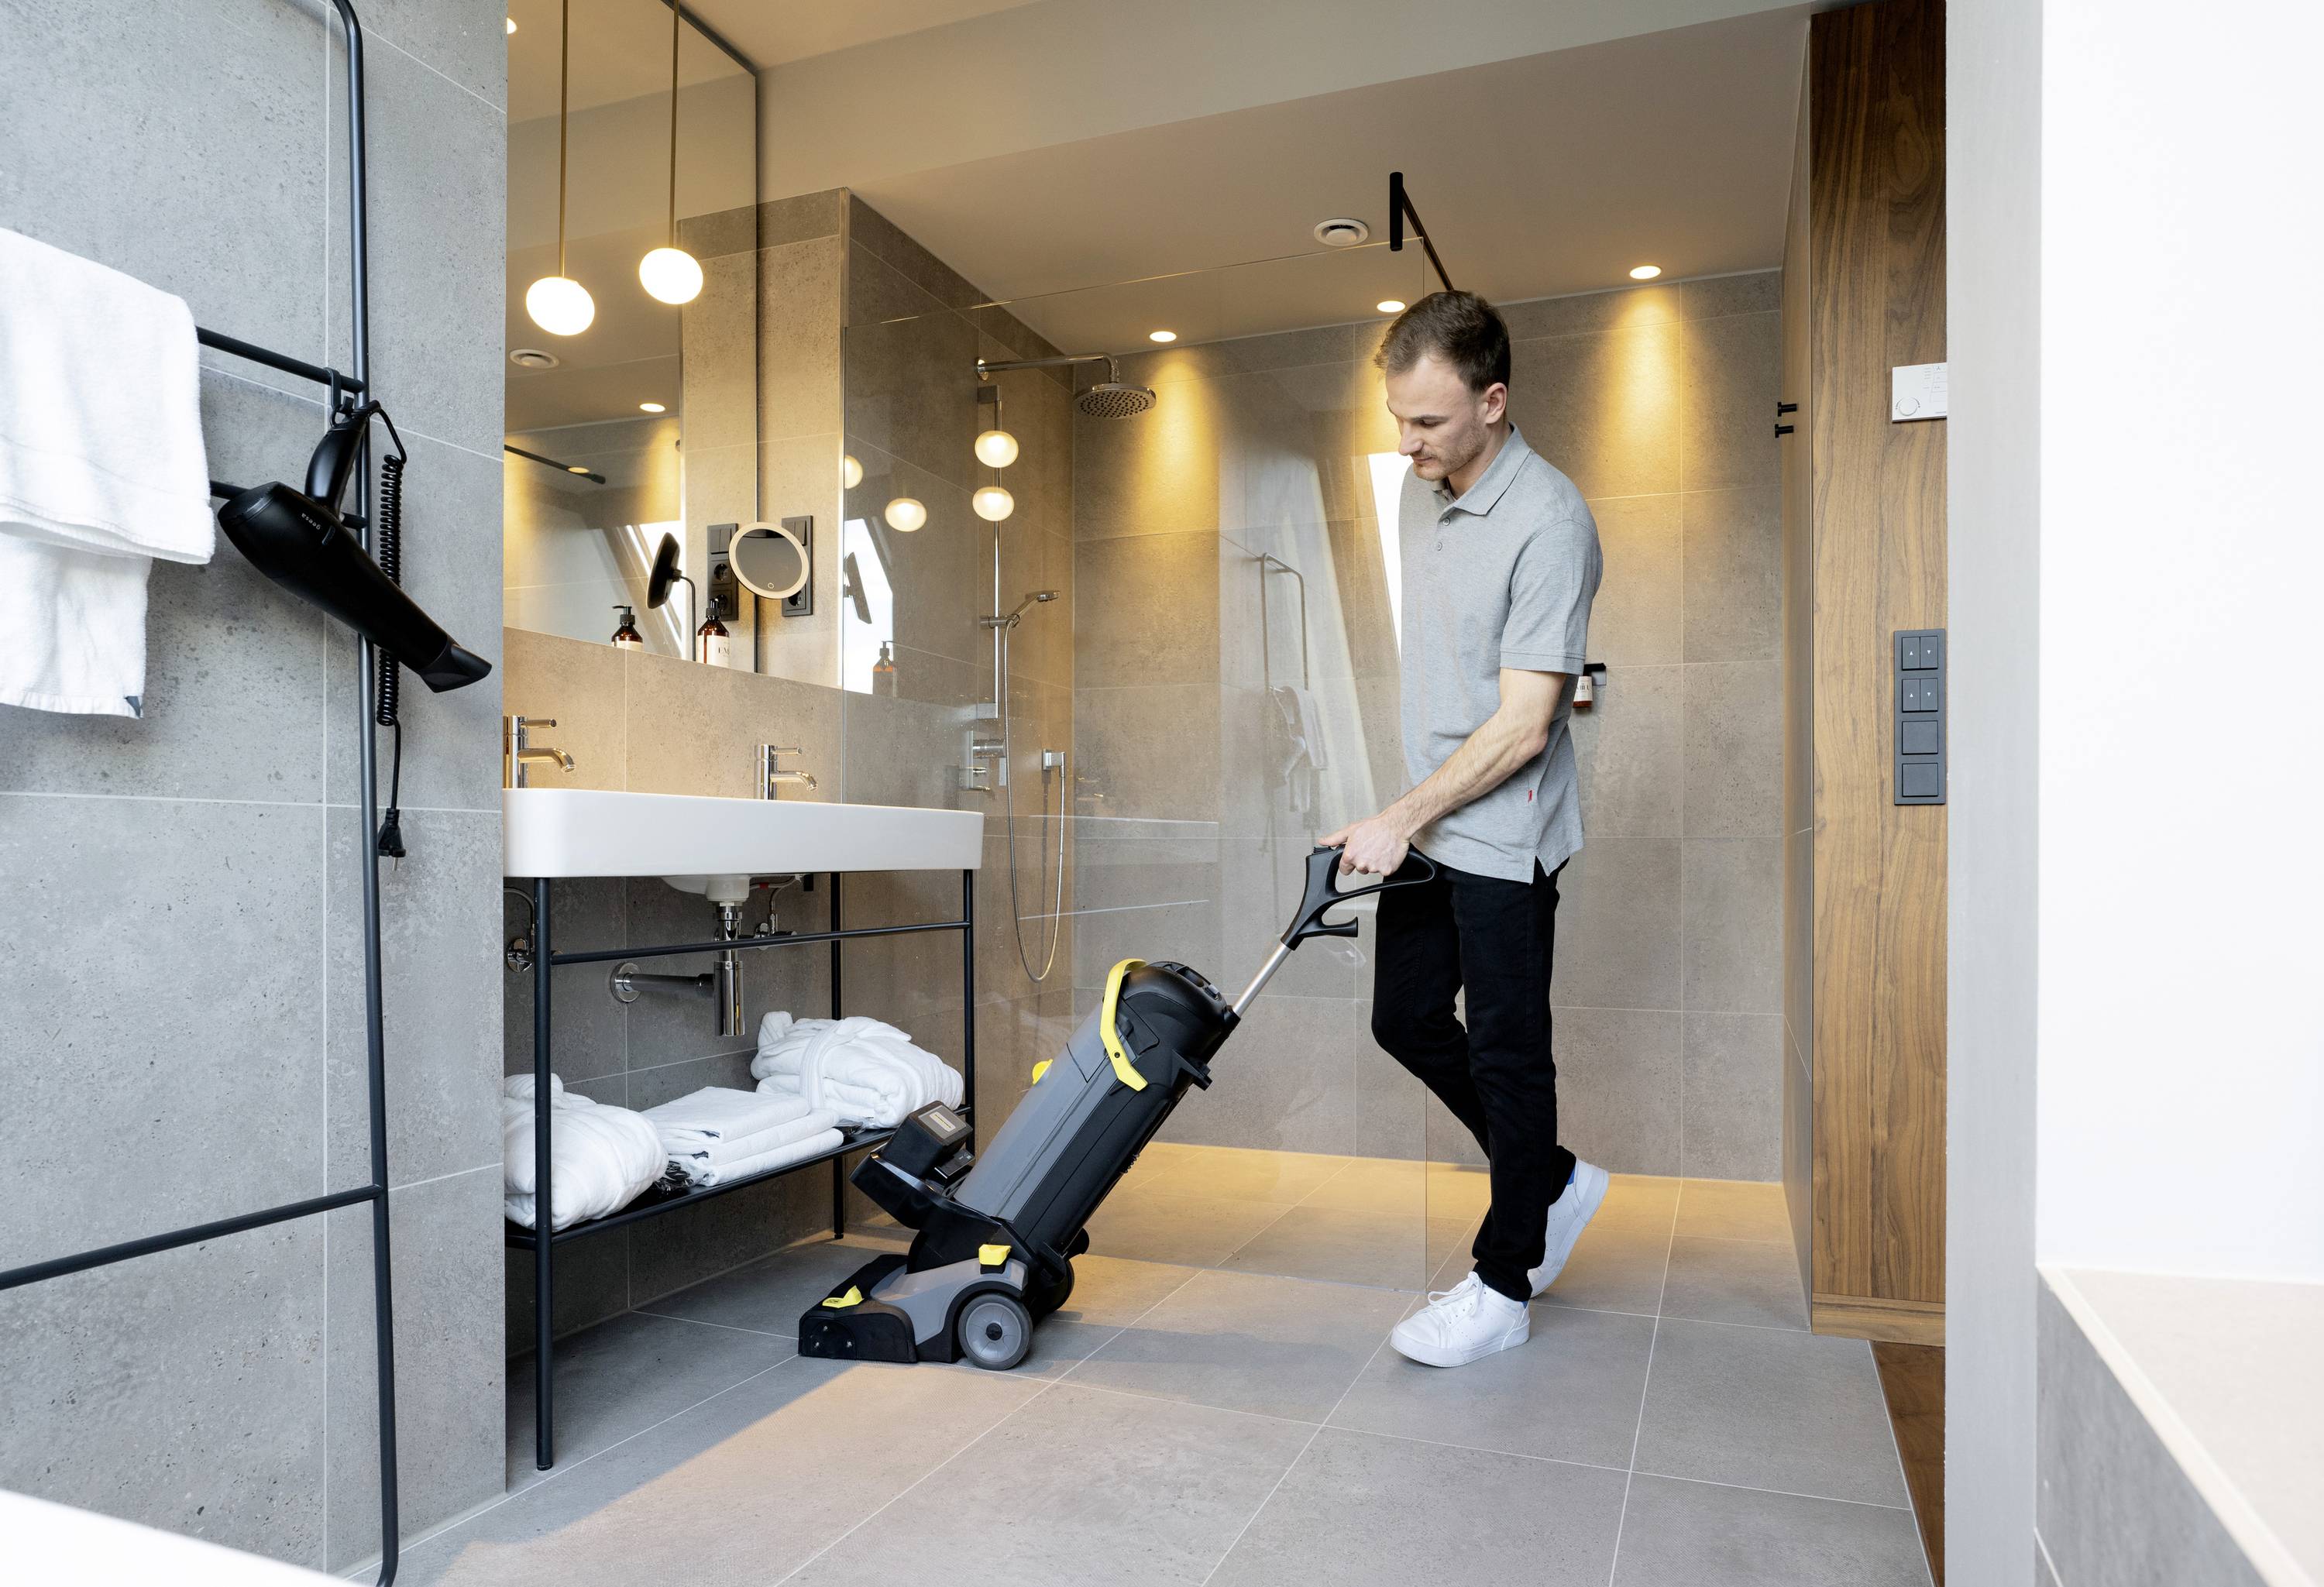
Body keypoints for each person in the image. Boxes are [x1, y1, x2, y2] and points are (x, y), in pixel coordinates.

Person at [1322, 290, 1607, 1368]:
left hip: (1505, 828)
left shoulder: (1551, 520)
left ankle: (1504, 1280)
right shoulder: (1420, 488)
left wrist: (1402, 811)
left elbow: (1528, 722)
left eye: (1430, 422)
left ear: (1494, 401)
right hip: (1434, 818)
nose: (1408, 444)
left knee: (1506, 1047)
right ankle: (1552, 1176)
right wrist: (1402, 813)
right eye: (1398, 418)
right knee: (1404, 1018)